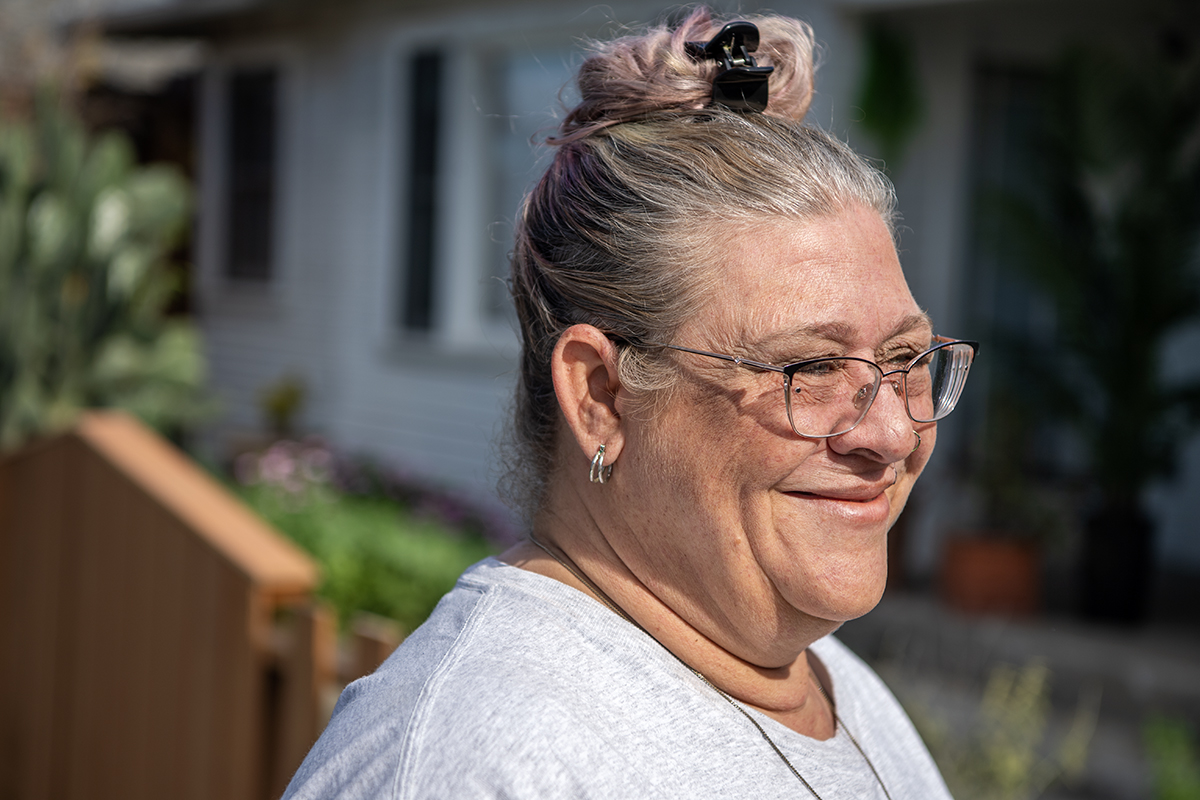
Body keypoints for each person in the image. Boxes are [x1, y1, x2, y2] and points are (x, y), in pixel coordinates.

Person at [283, 8, 976, 799]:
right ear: (602, 397)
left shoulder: (835, 684)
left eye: (903, 359)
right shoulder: (480, 765)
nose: (890, 432)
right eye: (810, 366)